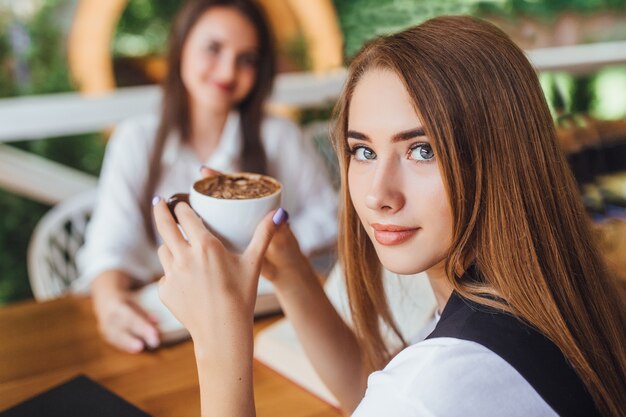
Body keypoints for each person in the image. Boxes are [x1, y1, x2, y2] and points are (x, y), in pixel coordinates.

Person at [152, 15, 626, 417]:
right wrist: (292, 271)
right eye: (363, 151)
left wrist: (218, 341)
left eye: (422, 150)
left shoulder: (439, 385)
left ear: (503, 159)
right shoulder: (533, 300)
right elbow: (368, 393)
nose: (378, 194)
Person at [74, 0, 338, 353]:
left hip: (265, 320)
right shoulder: (136, 139)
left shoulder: (279, 136)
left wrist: (265, 254)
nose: (228, 71)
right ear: (181, 47)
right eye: (213, 49)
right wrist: (109, 305)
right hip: (170, 322)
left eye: (246, 59)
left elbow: (331, 216)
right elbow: (110, 243)